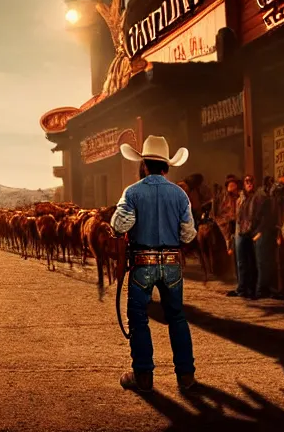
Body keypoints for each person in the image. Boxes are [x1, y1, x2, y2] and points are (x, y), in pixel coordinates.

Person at [111, 135, 198, 392]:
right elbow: (188, 234)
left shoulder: (133, 192)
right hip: (172, 264)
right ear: (166, 167)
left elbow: (119, 225)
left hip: (142, 263)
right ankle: (185, 377)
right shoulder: (180, 195)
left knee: (138, 318)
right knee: (177, 317)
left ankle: (144, 377)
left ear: (144, 165)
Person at [229, 175, 258, 299]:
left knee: (252, 261)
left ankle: (252, 288)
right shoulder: (241, 198)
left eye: (251, 181)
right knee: (241, 262)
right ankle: (242, 287)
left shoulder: (257, 198)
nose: (249, 183)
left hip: (252, 232)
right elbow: (237, 215)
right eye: (247, 181)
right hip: (240, 231)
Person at [252, 176, 281, 299]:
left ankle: (266, 289)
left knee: (268, 263)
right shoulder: (266, 201)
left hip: (269, 234)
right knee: (263, 263)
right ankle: (261, 290)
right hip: (263, 234)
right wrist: (259, 232)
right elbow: (259, 217)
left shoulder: (274, 202)